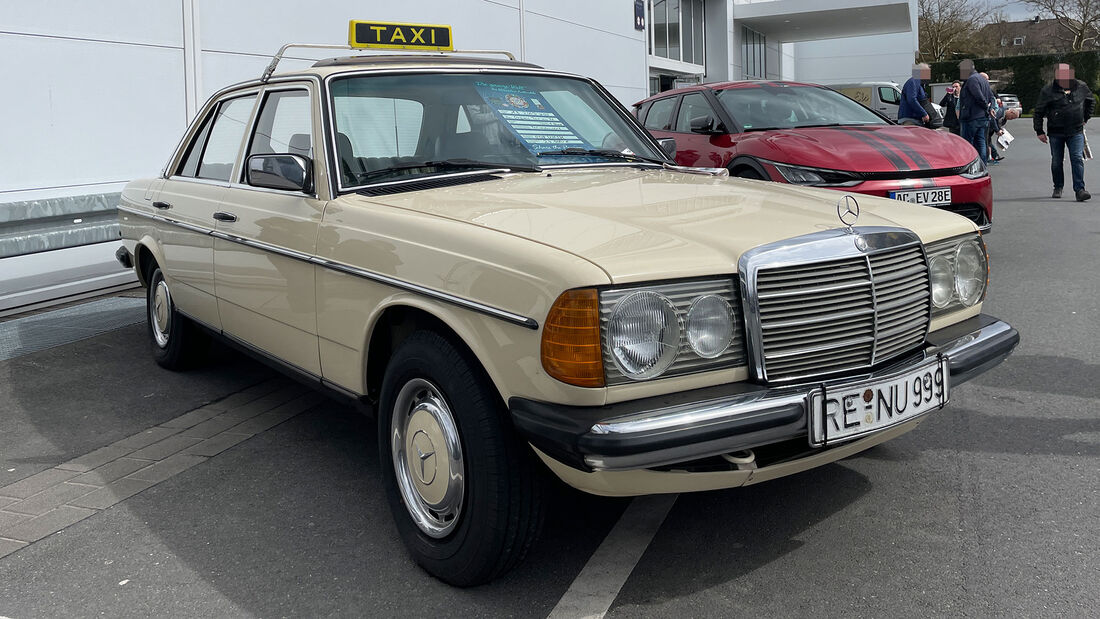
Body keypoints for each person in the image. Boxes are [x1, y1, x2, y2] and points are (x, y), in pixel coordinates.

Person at [1035, 63, 1095, 201]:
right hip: (1056, 131)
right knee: (1057, 161)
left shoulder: (1081, 86)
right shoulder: (1048, 90)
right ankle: (1058, 186)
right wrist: (1039, 130)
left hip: (1076, 130)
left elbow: (1090, 101)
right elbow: (1039, 111)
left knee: (1077, 158)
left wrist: (1086, 117)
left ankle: (1080, 190)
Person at [958, 60, 997, 164]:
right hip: (982, 117)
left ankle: (971, 166)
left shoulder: (972, 80)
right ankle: (982, 165)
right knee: (981, 143)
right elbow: (991, 97)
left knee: (968, 144)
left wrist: (986, 107)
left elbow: (978, 96)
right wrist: (989, 108)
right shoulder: (982, 79)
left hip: (972, 117)